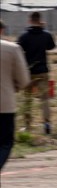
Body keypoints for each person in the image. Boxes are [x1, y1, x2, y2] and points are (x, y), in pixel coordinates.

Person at [17, 12, 56, 134]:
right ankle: (47, 123)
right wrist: (43, 29)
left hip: (28, 71)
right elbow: (51, 46)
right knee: (44, 99)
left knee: (28, 99)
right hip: (43, 71)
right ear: (40, 20)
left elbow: (18, 49)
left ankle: (28, 125)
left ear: (30, 20)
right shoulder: (46, 35)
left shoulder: (24, 36)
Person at [0, 19, 31, 171]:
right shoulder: (11, 49)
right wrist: (16, 86)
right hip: (4, 104)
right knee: (5, 143)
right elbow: (24, 80)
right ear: (2, 30)